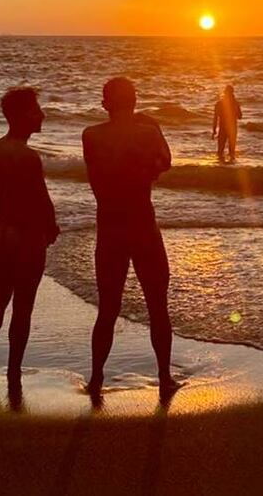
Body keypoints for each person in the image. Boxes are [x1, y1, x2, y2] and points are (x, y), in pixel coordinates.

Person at [82, 77, 179, 398]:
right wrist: (152, 132)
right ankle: (164, 377)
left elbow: (97, 175)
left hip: (109, 226)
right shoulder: (147, 132)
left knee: (108, 308)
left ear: (105, 103)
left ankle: (96, 378)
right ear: (135, 101)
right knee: (157, 304)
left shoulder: (91, 135)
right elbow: (165, 162)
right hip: (142, 224)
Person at [0, 86, 59, 387]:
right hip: (27, 236)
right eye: (36, 110)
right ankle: (14, 369)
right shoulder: (28, 156)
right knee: (23, 305)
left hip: (3, 232)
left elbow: (8, 194)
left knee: (0, 295)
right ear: (22, 115)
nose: (41, 115)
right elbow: (40, 197)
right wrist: (51, 225)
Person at [212, 84, 242, 163]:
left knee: (220, 150)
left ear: (224, 93)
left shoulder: (219, 103)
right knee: (231, 151)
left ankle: (221, 166)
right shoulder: (236, 103)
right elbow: (240, 116)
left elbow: (215, 118)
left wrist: (214, 130)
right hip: (232, 129)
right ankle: (231, 166)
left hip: (223, 129)